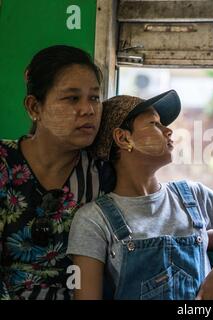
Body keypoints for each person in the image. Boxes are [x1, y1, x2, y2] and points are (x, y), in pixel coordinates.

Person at [67, 91, 213, 300]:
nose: (168, 130)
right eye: (154, 124)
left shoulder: (193, 196)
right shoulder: (93, 220)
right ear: (123, 139)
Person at [0, 45, 112, 300]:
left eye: (94, 97)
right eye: (72, 98)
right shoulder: (4, 163)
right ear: (34, 108)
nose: (89, 110)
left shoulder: (104, 175)